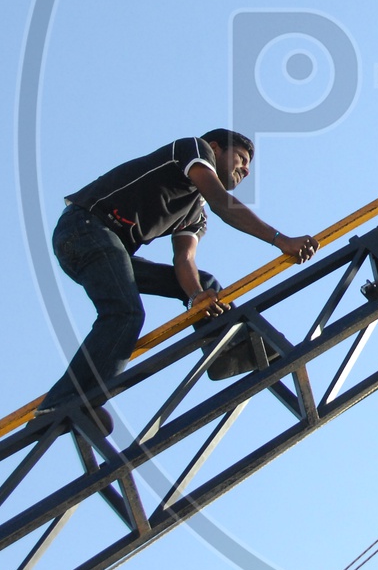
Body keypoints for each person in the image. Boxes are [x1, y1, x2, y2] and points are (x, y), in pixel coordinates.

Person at [36, 129, 317, 426]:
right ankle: (61, 404)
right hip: (84, 229)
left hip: (109, 249)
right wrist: (281, 240)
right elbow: (223, 203)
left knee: (206, 284)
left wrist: (197, 298)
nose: (245, 170)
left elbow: (184, 260)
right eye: (241, 158)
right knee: (125, 314)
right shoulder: (192, 150)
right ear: (215, 148)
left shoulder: (196, 212)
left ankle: (225, 351)